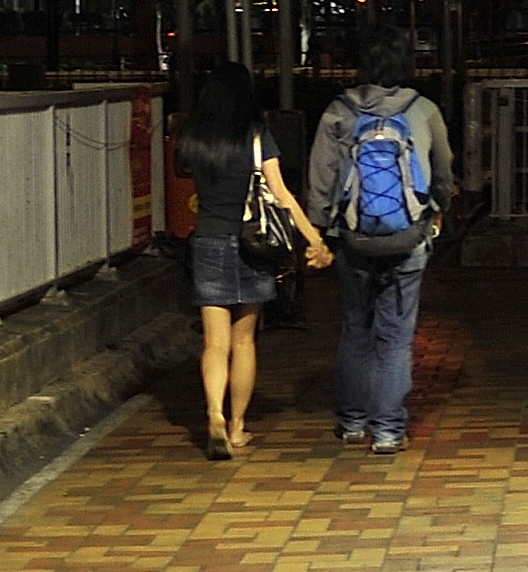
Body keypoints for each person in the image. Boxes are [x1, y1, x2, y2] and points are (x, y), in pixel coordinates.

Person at [306, 25, 453, 455]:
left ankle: (352, 422)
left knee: (356, 327)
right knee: (396, 335)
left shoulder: (339, 110)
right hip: (409, 236)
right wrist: (439, 209)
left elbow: (321, 175)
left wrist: (320, 231)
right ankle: (387, 430)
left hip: (353, 238)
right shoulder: (424, 110)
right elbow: (442, 171)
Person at [178, 61, 332, 461]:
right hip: (254, 243)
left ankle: (212, 415)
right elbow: (281, 194)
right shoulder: (258, 135)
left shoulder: (194, 137)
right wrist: (314, 240)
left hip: (209, 239)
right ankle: (237, 426)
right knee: (244, 339)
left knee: (215, 341)